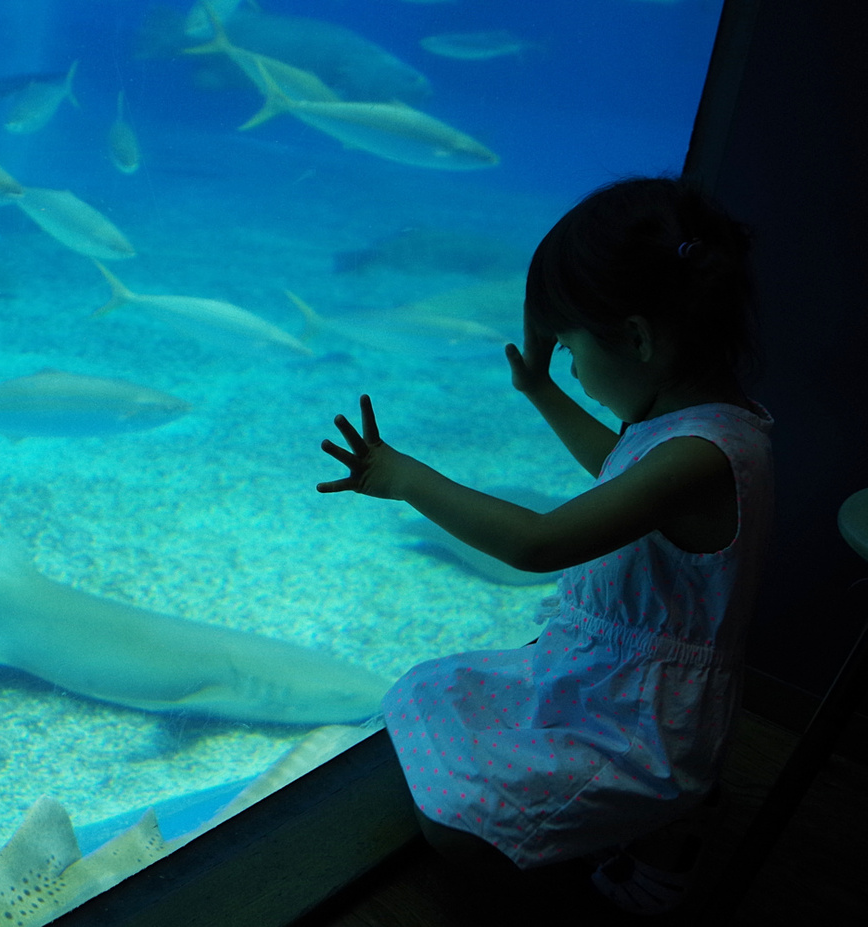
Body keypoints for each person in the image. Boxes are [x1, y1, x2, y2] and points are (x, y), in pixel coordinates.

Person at [318, 177, 772, 913]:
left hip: (643, 725)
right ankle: (632, 825)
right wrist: (540, 389)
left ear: (637, 338)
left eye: (567, 347)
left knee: (456, 831)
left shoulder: (705, 454)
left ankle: (641, 844)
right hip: (604, 679)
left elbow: (537, 543)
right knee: (431, 689)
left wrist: (408, 478)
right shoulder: (696, 425)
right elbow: (615, 467)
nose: (568, 366)